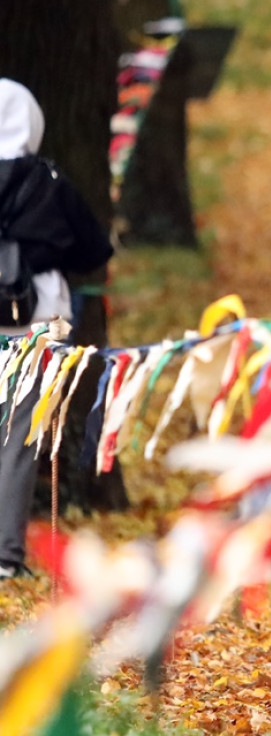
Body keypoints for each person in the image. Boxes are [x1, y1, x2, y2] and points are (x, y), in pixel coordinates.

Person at [0, 78, 114, 580]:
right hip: (37, 324)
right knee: (18, 439)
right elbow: (94, 250)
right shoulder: (47, 181)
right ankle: (4, 554)